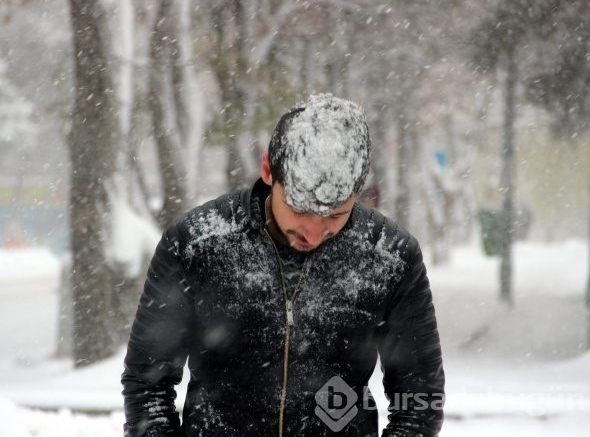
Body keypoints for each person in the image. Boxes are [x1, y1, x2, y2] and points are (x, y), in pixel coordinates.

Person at [122, 93, 445, 436]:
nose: (314, 232)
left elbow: (419, 400)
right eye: (300, 210)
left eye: (335, 215)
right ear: (267, 170)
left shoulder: (390, 256)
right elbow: (147, 384)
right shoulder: (196, 244)